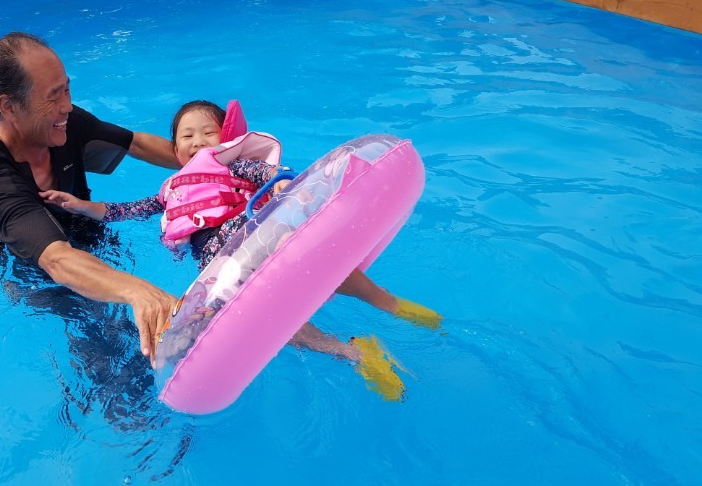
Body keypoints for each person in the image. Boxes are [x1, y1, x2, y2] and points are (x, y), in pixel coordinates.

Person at [41, 100, 442, 379]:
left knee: (327, 267)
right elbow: (125, 210)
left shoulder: (232, 166)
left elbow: (271, 173)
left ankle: (389, 303)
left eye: (208, 133)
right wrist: (80, 205)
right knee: (277, 323)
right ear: (176, 149)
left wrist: (285, 187)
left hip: (256, 239)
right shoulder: (170, 191)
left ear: (225, 140)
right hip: (224, 272)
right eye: (187, 136)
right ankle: (354, 352)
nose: (198, 142)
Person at [0, 32, 181, 366]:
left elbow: (136, 143)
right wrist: (138, 291)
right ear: (8, 106)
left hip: (82, 233)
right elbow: (56, 260)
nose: (67, 105)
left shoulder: (65, 125)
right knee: (108, 352)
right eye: (53, 96)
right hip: (31, 268)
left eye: (66, 89)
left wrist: (219, 158)